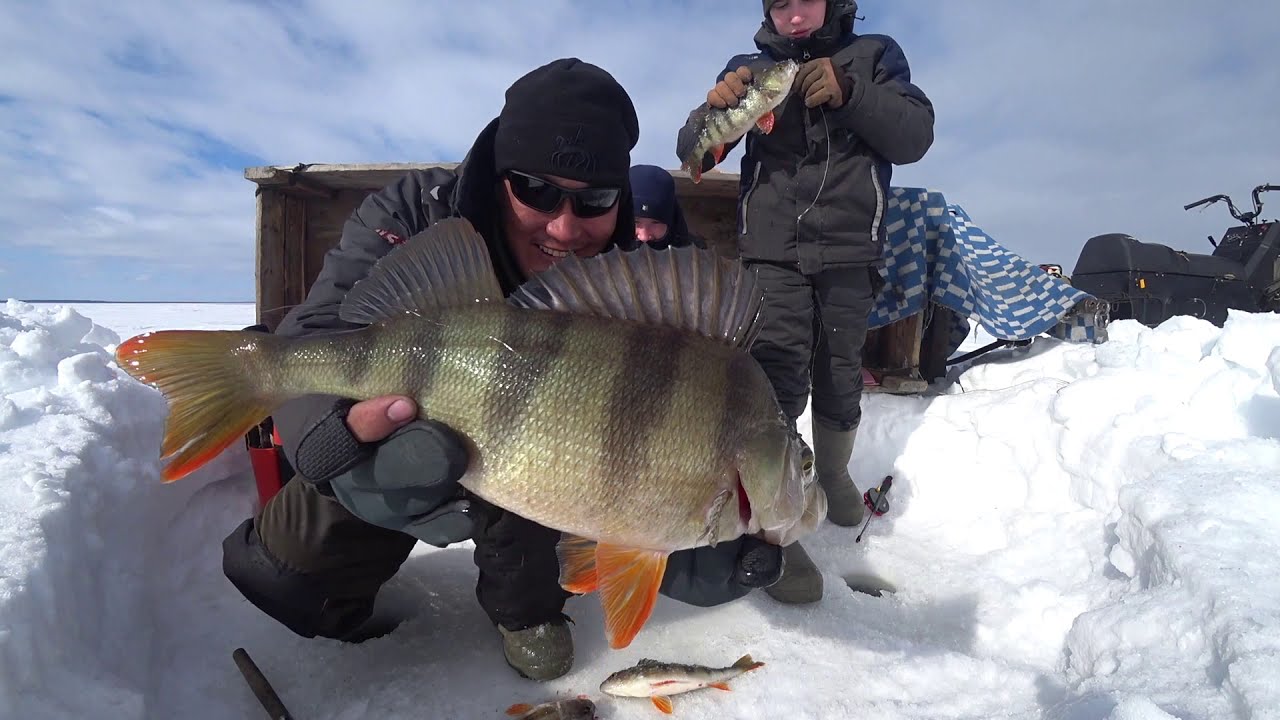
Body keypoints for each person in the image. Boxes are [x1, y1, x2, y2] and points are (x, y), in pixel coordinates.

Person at [220, 58, 788, 684]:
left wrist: (769, 498)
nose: (565, 227)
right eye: (537, 191)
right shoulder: (417, 213)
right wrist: (332, 443)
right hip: (406, 429)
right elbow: (316, 336)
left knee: (714, 560)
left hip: (552, 463)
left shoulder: (645, 274)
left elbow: (726, 392)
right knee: (288, 581)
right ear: (500, 177)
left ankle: (527, 612)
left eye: (594, 199)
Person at [675, 0, 935, 603]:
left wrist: (852, 93)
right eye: (778, 4)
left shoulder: (876, 56)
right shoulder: (749, 67)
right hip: (771, 252)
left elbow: (915, 136)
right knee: (776, 378)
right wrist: (710, 110)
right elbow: (695, 149)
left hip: (850, 251)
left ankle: (836, 474)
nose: (793, 14)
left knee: (841, 369)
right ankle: (773, 525)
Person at [623, 164, 707, 250]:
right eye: (635, 222)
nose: (644, 237)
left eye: (655, 222)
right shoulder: (609, 251)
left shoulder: (696, 256)